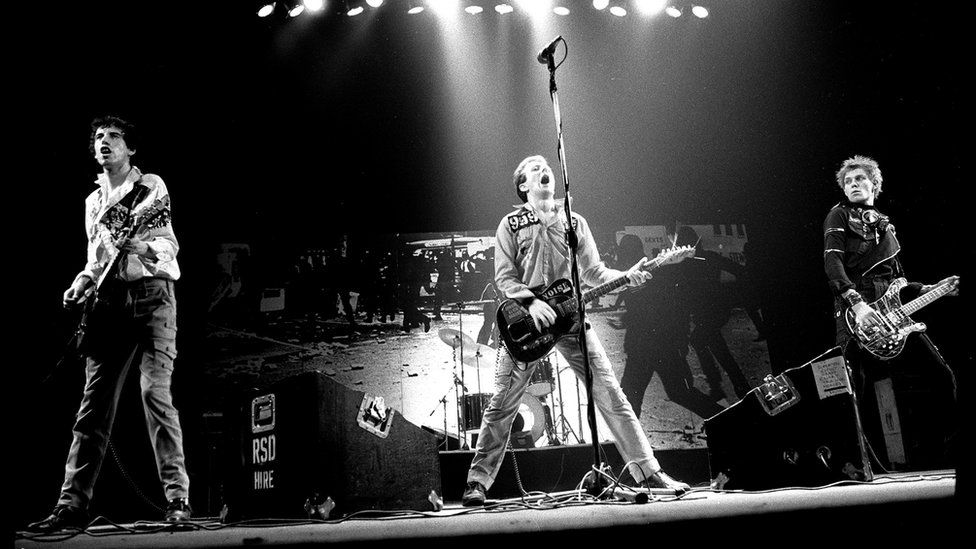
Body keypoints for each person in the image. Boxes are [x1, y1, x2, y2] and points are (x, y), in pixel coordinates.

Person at [461, 155, 690, 506]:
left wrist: (628, 277)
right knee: (502, 403)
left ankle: (649, 470)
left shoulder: (574, 222)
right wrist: (531, 302)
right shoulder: (510, 224)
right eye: (534, 168)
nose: (543, 168)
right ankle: (477, 482)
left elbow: (595, 273)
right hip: (525, 325)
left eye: (545, 166)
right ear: (523, 186)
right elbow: (504, 277)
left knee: (611, 394)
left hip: (570, 322)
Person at [28, 115, 191, 532]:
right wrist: (80, 283)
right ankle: (71, 505)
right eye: (99, 137)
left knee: (155, 393)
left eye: (114, 137)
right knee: (93, 406)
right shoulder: (93, 203)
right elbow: (95, 261)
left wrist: (143, 245)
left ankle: (178, 500)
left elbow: (167, 246)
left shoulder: (150, 187)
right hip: (110, 305)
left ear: (129, 148)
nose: (104, 143)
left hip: (153, 297)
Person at [823, 155, 959, 469]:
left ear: (875, 184)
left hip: (893, 309)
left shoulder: (886, 226)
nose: (853, 185)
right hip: (857, 307)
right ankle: (850, 465)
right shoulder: (839, 215)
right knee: (852, 391)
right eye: (848, 181)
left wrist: (933, 289)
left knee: (941, 375)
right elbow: (832, 263)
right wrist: (856, 304)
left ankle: (947, 455)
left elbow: (900, 282)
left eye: (860, 179)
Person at [616, 234, 724, 420]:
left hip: (657, 346)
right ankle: (728, 421)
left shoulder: (655, 271)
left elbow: (665, 307)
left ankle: (728, 421)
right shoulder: (631, 275)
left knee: (639, 398)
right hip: (651, 347)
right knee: (671, 394)